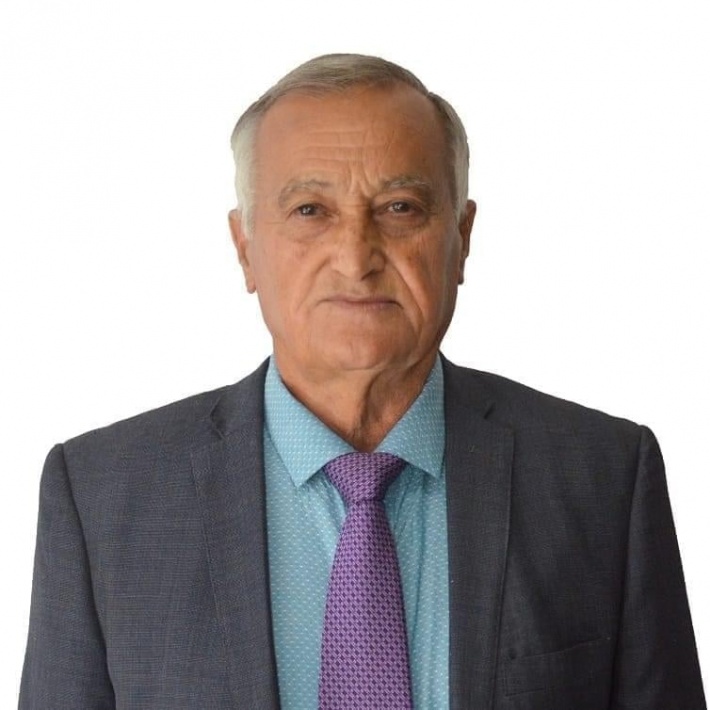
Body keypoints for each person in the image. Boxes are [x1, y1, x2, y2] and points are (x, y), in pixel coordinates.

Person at [19, 54, 706, 710]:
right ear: (245, 247)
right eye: (310, 211)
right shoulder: (102, 497)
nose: (356, 257)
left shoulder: (604, 477)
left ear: (462, 238)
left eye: (400, 208)